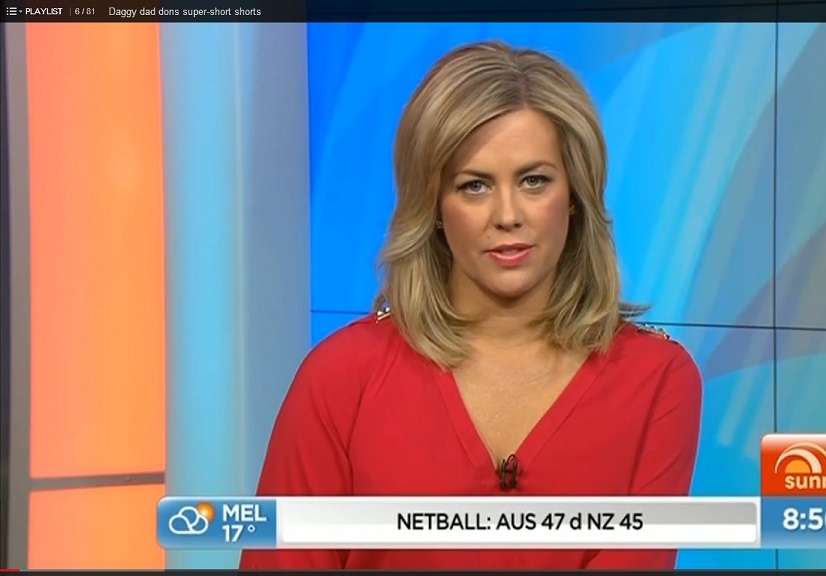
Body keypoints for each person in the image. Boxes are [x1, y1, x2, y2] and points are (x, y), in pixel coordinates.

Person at [240, 40, 702, 570]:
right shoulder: (342, 378)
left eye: (534, 181)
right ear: (434, 206)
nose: (507, 215)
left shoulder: (656, 380)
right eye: (475, 185)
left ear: (575, 195)